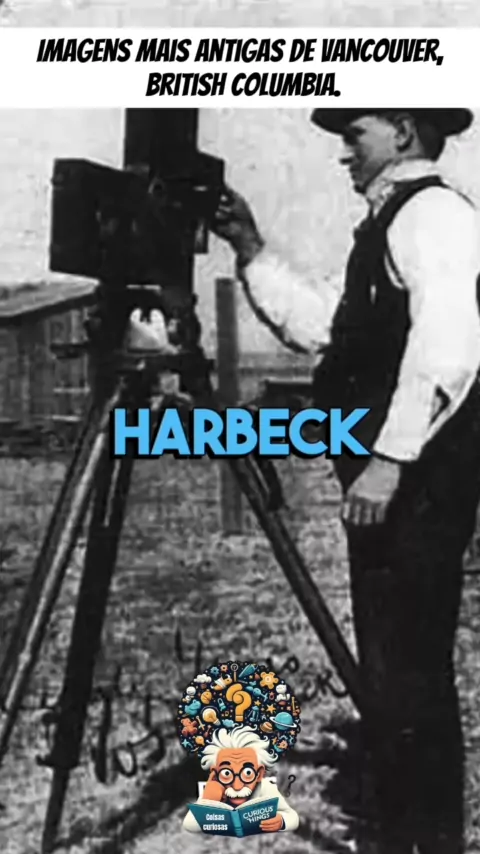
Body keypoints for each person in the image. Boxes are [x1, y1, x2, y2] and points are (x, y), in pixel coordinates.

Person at [213, 109, 480, 854]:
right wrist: (251, 248)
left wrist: (389, 461)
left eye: (354, 134)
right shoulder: (389, 223)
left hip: (416, 484)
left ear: (403, 131)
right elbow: (328, 326)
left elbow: (449, 346)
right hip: (396, 484)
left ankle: (424, 837)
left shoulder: (432, 216)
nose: (343, 153)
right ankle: (406, 832)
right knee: (394, 667)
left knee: (411, 669)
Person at [182, 724, 299, 833]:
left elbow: (292, 817)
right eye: (227, 773)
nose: (237, 786)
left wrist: (281, 821)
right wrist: (208, 802)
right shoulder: (212, 788)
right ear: (215, 774)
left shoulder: (267, 787)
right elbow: (189, 824)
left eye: (247, 773)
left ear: (259, 774)